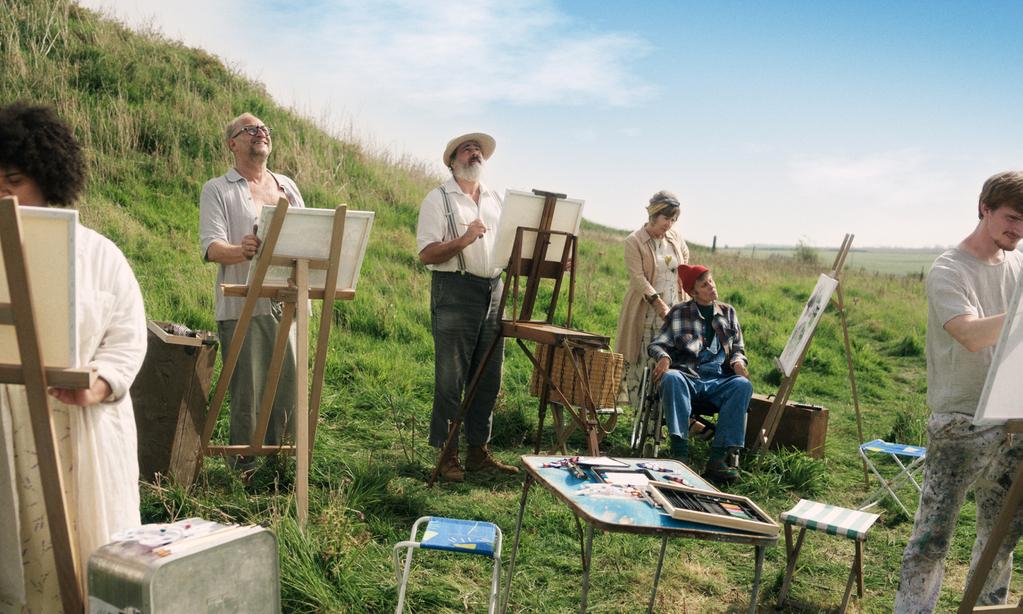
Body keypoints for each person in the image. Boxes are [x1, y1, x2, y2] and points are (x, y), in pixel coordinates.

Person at [0, 102, 147, 611]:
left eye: (13, 179)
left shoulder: (99, 255)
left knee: (88, 551)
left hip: (80, 423)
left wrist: (99, 383)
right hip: (8, 429)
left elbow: (128, 337)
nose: (3, 191)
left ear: (46, 178)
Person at [894, 171, 1023, 613]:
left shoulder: (1019, 266)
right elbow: (969, 335)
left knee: (999, 547)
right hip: (960, 422)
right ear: (984, 208)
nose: (1019, 229)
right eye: (1011, 218)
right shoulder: (949, 269)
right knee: (930, 544)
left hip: (1015, 422)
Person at [199, 112, 302, 476]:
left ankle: (283, 466)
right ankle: (244, 469)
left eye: (264, 129)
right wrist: (240, 249)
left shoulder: (287, 186)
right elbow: (211, 247)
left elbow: (307, 236)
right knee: (249, 393)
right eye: (250, 129)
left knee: (288, 389)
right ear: (233, 144)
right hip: (242, 303)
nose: (261, 133)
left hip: (288, 301)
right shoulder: (219, 188)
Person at [415, 132, 518, 482]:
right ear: (452, 161)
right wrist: (463, 240)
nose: (475, 153)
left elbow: (508, 246)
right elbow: (426, 254)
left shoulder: (496, 199)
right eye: (466, 149)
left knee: (488, 376)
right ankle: (447, 455)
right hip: (455, 289)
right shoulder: (439, 198)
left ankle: (478, 452)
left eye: (478, 149)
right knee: (451, 377)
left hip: (494, 290)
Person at [648, 264, 752, 483]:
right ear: (693, 292)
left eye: (711, 281)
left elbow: (738, 350)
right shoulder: (679, 312)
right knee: (671, 378)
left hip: (718, 380)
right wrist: (665, 358)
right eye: (704, 285)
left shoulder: (728, 312)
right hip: (688, 377)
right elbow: (657, 345)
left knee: (742, 385)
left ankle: (718, 460)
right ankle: (679, 455)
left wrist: (738, 363)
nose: (711, 287)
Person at [615, 190, 690, 408]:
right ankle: (641, 415)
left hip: (674, 310)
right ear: (654, 215)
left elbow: (684, 266)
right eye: (666, 218)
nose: (669, 224)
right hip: (646, 311)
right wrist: (659, 305)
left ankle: (661, 417)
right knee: (645, 360)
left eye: (673, 220)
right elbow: (638, 278)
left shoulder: (675, 238)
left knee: (669, 361)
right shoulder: (634, 241)